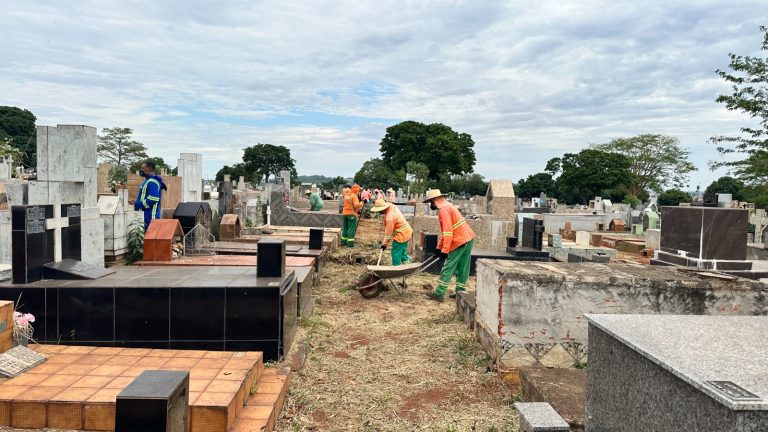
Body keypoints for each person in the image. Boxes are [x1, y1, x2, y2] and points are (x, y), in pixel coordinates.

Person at [422, 189, 475, 302]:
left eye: (431, 202)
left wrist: (445, 251)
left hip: (459, 240)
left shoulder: (444, 210)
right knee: (463, 267)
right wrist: (438, 248)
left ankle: (439, 293)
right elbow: (445, 233)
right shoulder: (449, 206)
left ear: (434, 201)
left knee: (448, 266)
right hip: (468, 238)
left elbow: (448, 233)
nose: (431, 205)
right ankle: (460, 291)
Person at [369, 198, 413, 265]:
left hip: (401, 235)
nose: (379, 212)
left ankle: (396, 269)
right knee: (402, 252)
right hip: (407, 231)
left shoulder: (389, 218)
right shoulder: (391, 206)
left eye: (379, 210)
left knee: (395, 253)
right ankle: (407, 266)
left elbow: (388, 234)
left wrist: (384, 244)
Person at [133, 159, 167, 231]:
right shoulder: (147, 180)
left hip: (150, 217)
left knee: (148, 240)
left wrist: (137, 204)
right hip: (145, 216)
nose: (141, 170)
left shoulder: (152, 182)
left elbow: (153, 199)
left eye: (143, 168)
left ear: (149, 169)